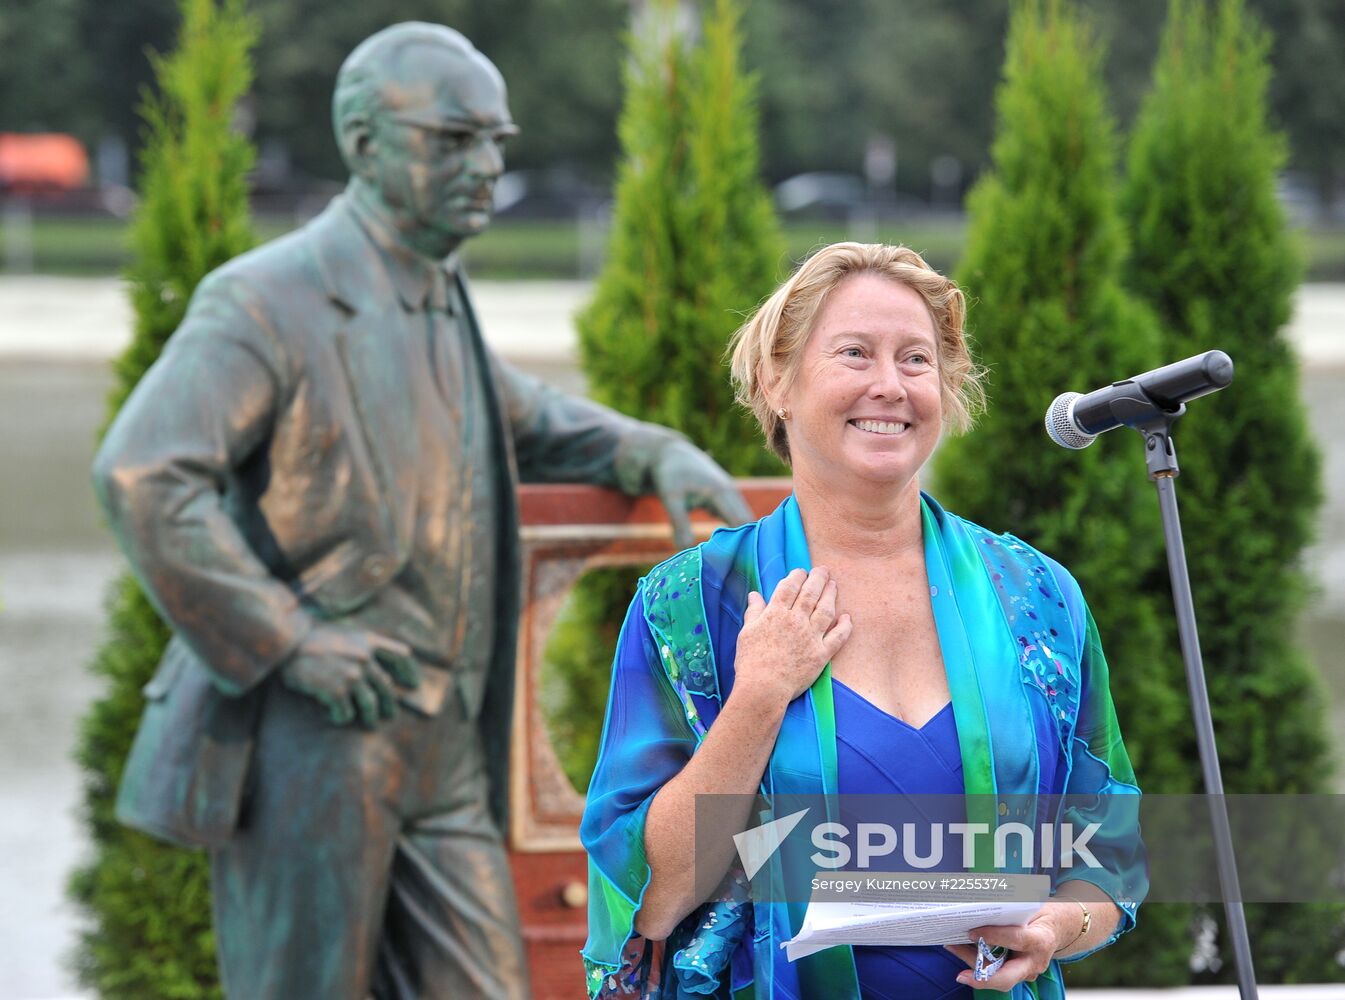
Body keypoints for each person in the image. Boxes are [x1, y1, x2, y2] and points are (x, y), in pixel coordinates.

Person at [92, 22, 750, 1000]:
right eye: (453, 140)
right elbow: (143, 474)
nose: (486, 165)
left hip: (443, 748)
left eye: (495, 140)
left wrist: (646, 447)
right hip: (313, 736)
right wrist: (289, 639)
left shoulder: (437, 295)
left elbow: (524, 414)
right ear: (362, 143)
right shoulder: (265, 300)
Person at [580, 243, 1147, 998]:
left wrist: (1051, 928)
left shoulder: (1034, 596)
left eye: (916, 360)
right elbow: (648, 904)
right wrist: (757, 697)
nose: (890, 385)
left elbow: (1108, 853)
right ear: (774, 381)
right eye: (854, 354)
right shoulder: (688, 606)